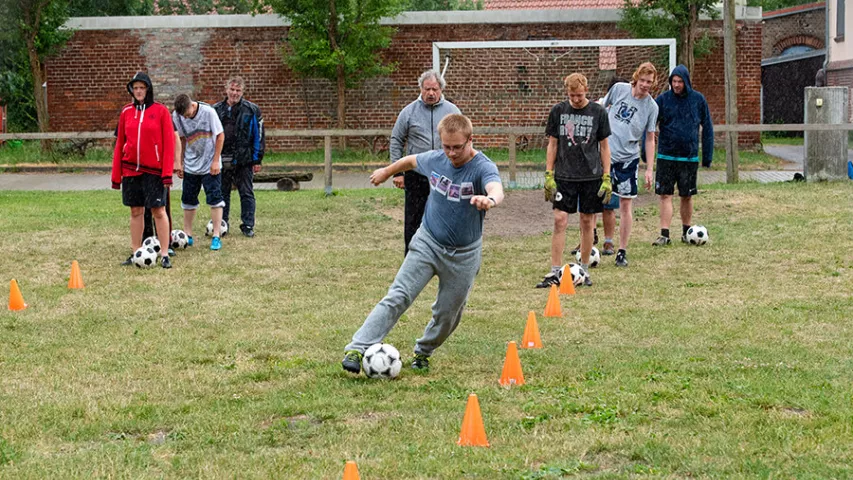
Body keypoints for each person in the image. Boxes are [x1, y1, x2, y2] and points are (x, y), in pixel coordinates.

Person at [342, 114, 503, 374]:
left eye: (457, 147)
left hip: (463, 255)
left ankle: (423, 351)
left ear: (470, 140)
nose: (450, 153)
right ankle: (357, 348)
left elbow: (496, 187)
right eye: (446, 146)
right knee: (398, 296)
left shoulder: (482, 167)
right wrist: (386, 171)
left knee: (448, 313)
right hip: (427, 242)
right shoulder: (436, 159)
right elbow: (410, 160)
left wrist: (490, 200)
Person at [537, 73, 612, 288]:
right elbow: (552, 144)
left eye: (579, 95)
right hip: (564, 175)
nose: (576, 99)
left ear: (586, 91)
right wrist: (549, 174)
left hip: (591, 176)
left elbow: (605, 147)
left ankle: (584, 270)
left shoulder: (598, 112)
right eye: (572, 95)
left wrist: (606, 176)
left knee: (587, 222)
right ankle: (554, 271)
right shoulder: (558, 111)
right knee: (559, 220)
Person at [390, 70, 461, 255]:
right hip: (416, 174)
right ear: (421, 89)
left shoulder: (452, 111)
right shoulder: (408, 112)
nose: (431, 93)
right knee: (413, 218)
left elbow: (464, 138)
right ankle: (412, 256)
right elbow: (396, 139)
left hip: (445, 172)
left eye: (435, 89)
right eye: (427, 89)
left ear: (441, 90)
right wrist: (397, 173)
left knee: (445, 216)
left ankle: (444, 255)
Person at [112, 72, 176, 269]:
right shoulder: (126, 113)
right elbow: (120, 143)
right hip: (131, 171)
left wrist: (167, 173)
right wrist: (116, 175)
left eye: (142, 88)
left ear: (148, 89)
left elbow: (169, 144)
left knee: (159, 210)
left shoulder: (161, 111)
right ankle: (135, 251)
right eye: (135, 88)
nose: (138, 91)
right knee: (135, 211)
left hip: (154, 171)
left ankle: (164, 253)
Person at [600, 62, 659, 267]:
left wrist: (650, 168)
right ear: (636, 78)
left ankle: (622, 251)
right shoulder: (619, 90)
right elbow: (600, 108)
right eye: (642, 80)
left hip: (628, 160)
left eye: (649, 82)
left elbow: (650, 138)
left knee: (626, 204)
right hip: (605, 155)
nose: (645, 85)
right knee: (594, 198)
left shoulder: (652, 107)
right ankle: (588, 243)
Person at [651, 65, 714, 246]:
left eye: (680, 81)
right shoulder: (662, 100)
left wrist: (707, 156)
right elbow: (649, 126)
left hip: (688, 158)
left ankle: (687, 232)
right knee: (665, 195)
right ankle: (664, 234)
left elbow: (707, 127)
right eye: (674, 81)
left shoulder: (698, 100)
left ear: (686, 82)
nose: (677, 85)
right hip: (666, 156)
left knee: (686, 196)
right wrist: (645, 153)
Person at [173, 94, 226, 250]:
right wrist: (180, 162)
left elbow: (220, 136)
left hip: (210, 164)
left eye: (188, 114)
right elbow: (181, 139)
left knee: (215, 198)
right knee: (188, 199)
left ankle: (216, 235)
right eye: (183, 116)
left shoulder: (208, 112)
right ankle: (188, 234)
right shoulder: (177, 115)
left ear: (192, 106)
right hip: (191, 164)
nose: (186, 118)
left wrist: (216, 161)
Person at [213, 76, 265, 238]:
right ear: (226, 89)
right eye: (232, 90)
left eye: (238, 90)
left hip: (245, 159)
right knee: (222, 193)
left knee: (247, 192)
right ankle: (223, 223)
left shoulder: (252, 110)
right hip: (222, 158)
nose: (235, 93)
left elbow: (259, 136)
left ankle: (248, 224)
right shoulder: (215, 110)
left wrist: (257, 159)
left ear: (243, 92)